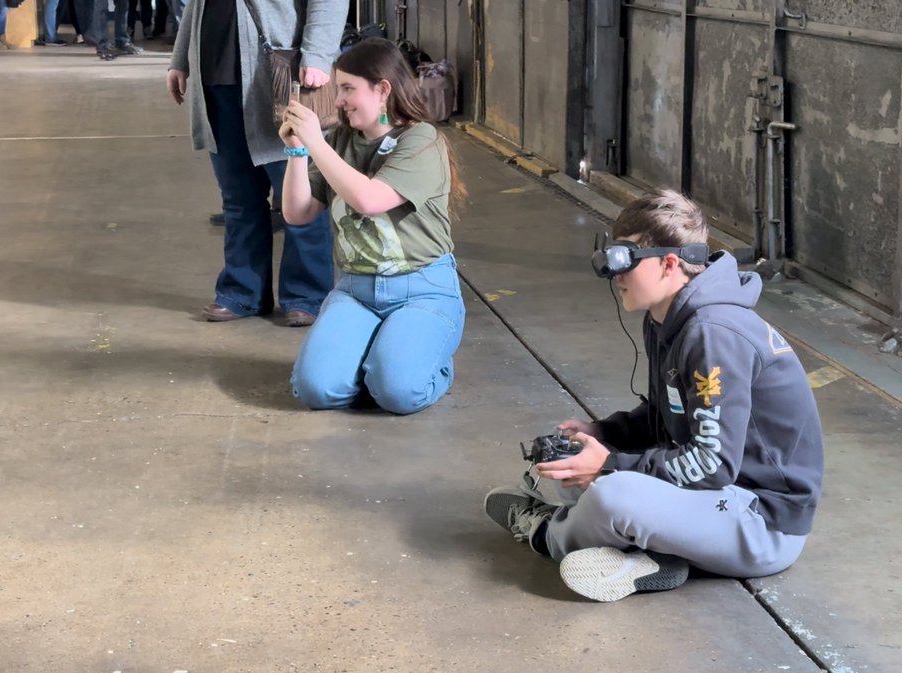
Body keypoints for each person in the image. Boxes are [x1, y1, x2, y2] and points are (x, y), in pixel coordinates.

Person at [483, 190, 824, 602]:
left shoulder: (713, 333)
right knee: (572, 470)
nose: (615, 273)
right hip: (715, 503)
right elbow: (668, 416)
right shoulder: (667, 319)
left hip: (762, 522)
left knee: (610, 496)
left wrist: (607, 466)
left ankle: (547, 534)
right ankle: (654, 560)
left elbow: (712, 464)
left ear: (669, 263)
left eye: (626, 259)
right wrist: (603, 433)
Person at [278, 38, 467, 415]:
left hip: (422, 289)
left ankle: (421, 361)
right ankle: (381, 359)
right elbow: (296, 214)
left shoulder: (421, 140)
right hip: (355, 289)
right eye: (338, 89)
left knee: (399, 393)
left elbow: (370, 200)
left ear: (383, 90)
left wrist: (317, 143)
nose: (338, 101)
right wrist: (299, 151)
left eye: (348, 89)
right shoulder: (340, 141)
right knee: (316, 390)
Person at [168, 0, 343, 325]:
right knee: (238, 199)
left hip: (279, 77)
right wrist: (180, 59)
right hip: (217, 78)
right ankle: (242, 293)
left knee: (302, 198)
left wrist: (318, 53)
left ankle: (307, 295)